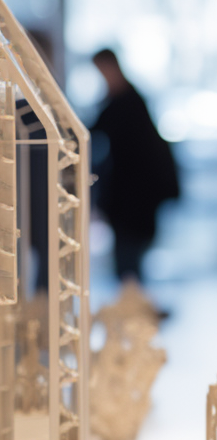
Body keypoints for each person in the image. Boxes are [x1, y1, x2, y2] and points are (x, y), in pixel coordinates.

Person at [91, 48, 179, 281]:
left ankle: (132, 310)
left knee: (129, 266)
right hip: (133, 202)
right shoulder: (125, 101)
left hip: (134, 202)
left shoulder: (125, 103)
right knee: (129, 265)